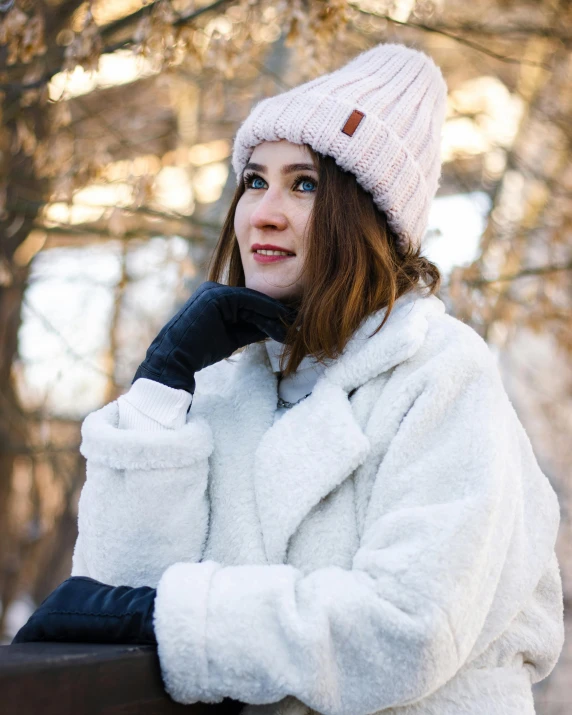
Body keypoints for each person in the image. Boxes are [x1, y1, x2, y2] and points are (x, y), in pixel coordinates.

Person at [12, 42, 564, 715]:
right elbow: (127, 598)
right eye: (255, 180)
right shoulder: (222, 382)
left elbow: (407, 628)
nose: (264, 211)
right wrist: (162, 385)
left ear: (368, 217)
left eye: (303, 184)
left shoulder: (443, 374)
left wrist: (183, 616)